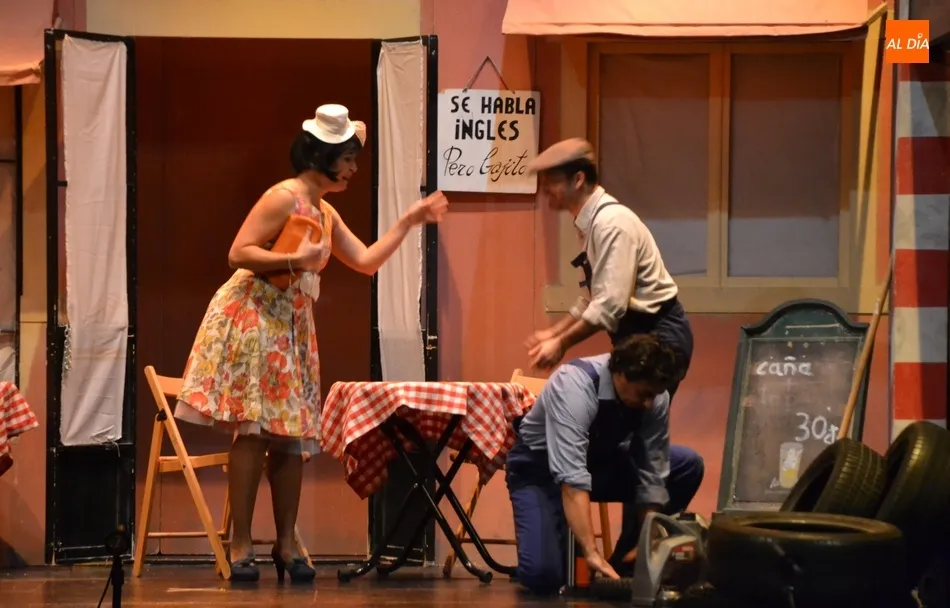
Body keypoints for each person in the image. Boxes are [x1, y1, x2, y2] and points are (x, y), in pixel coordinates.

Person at [174, 104, 448, 583]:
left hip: (292, 323)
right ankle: (241, 543)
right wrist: (296, 259)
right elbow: (239, 252)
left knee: (291, 434)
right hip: (257, 315)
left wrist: (409, 220)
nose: (354, 168)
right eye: (348, 158)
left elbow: (365, 261)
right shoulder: (283, 197)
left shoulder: (324, 210)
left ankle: (285, 543)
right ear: (323, 155)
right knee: (254, 430)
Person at [506, 334, 704, 595]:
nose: (649, 403)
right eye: (643, 394)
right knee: (544, 575)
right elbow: (572, 477)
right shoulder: (575, 384)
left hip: (599, 463)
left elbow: (653, 472)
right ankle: (566, 551)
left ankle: (627, 562)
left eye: (654, 395)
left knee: (686, 464)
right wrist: (591, 551)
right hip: (539, 472)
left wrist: (649, 539)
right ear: (620, 374)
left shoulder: (656, 397)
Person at [524, 138, 693, 400]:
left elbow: (608, 307)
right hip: (635, 337)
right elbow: (593, 298)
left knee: (636, 417)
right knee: (620, 415)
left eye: (551, 182)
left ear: (578, 179)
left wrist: (561, 343)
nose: (545, 190)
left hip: (658, 335)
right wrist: (554, 332)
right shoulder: (590, 222)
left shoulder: (611, 223)